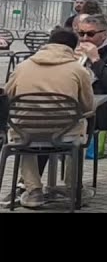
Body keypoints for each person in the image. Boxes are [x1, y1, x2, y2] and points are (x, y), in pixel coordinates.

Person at [3, 27, 95, 209]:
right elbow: (87, 106)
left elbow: (8, 95)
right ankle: (72, 187)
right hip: (64, 133)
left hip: (25, 132)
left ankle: (33, 190)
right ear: (73, 47)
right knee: (80, 127)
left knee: (23, 134)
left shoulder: (23, 67)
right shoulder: (78, 70)